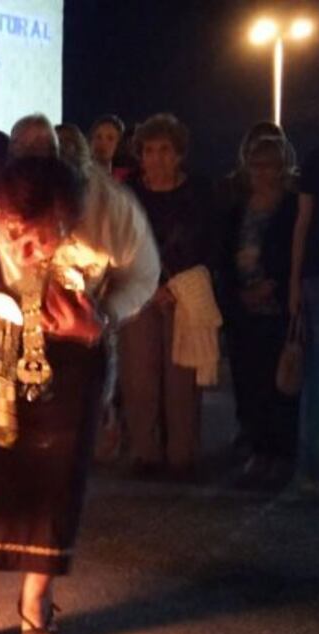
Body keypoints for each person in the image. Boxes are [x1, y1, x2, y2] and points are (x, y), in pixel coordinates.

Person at [0, 156, 158, 634]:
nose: (26, 250)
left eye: (40, 238)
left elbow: (144, 276)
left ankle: (37, 600)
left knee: (58, 475)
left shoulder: (110, 214)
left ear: (69, 219)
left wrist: (103, 319)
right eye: (14, 237)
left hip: (73, 348)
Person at [119, 113, 216, 480]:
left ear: (179, 154)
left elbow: (210, 242)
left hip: (186, 294)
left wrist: (178, 286)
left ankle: (182, 455)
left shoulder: (199, 191)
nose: (157, 158)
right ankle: (145, 452)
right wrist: (152, 286)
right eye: (149, 150)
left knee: (182, 378)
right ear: (140, 155)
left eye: (165, 150)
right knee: (139, 374)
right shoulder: (129, 194)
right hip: (141, 293)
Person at [218, 136, 299, 490]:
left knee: (278, 383)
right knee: (248, 382)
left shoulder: (293, 207)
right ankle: (257, 451)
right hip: (244, 310)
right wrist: (238, 294)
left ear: (283, 169)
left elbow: (296, 252)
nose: (262, 172)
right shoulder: (239, 209)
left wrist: (274, 285)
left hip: (277, 309)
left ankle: (281, 455)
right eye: (256, 164)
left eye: (270, 165)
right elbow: (224, 253)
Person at [288, 92, 319, 502]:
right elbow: (303, 224)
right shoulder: (316, 161)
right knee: (318, 374)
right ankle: (315, 465)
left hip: (317, 275)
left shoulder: (315, 160)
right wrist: (295, 282)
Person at [88, 114, 131, 181]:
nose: (102, 143)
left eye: (110, 138)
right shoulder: (80, 176)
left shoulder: (126, 179)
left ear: (118, 145)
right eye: (98, 137)